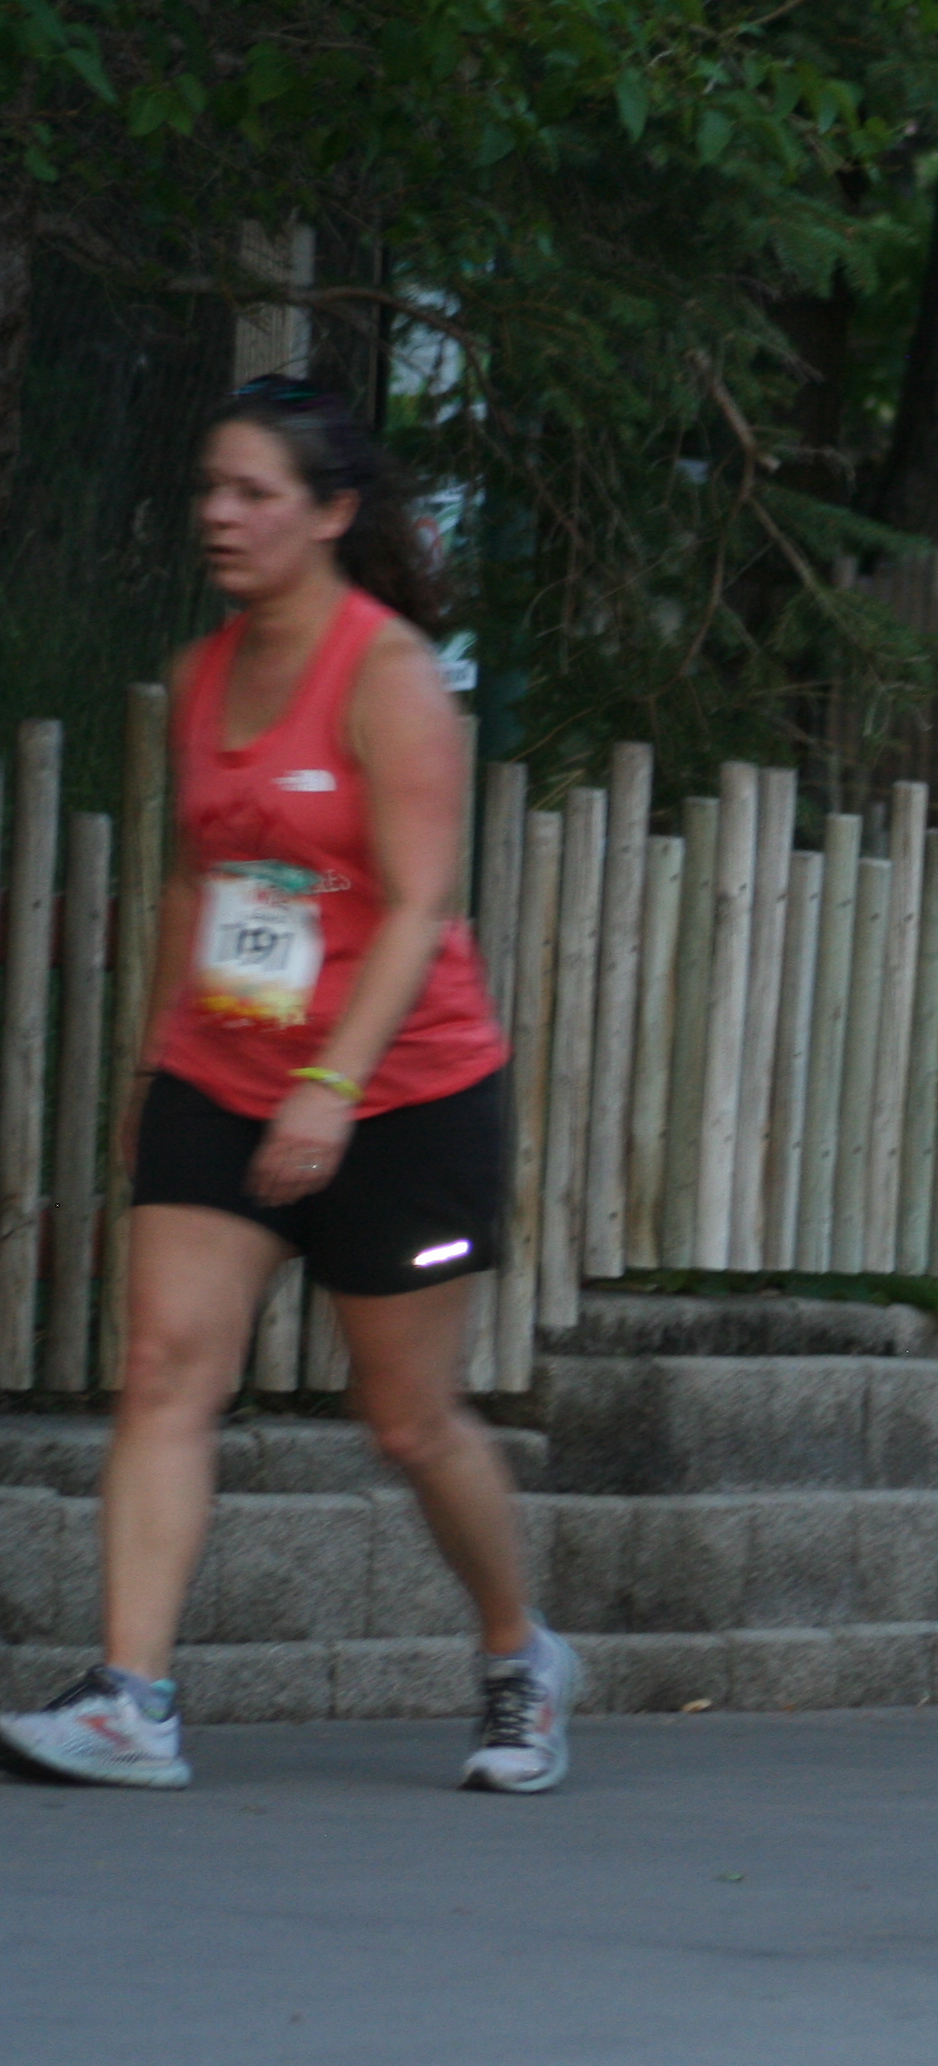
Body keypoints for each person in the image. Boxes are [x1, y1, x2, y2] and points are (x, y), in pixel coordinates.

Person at [0, 377, 574, 1795]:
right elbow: (194, 878)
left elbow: (423, 905)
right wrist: (159, 1062)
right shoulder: (202, 675)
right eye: (212, 487)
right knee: (164, 1368)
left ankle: (520, 1658)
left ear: (330, 515)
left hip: (404, 1088)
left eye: (254, 492)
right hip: (225, 1065)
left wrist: (331, 1082)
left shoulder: (390, 675)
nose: (220, 513)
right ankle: (132, 1699)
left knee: (408, 1418)